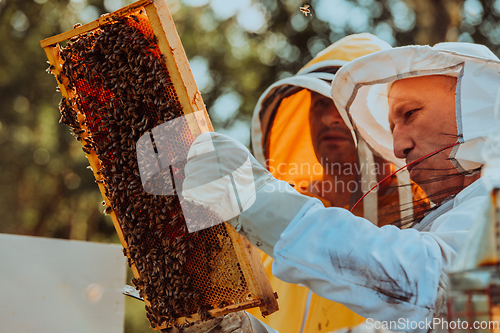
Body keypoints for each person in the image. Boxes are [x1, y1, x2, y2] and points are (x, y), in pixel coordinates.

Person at [181, 40, 500, 333]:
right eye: (391, 126)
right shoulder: (447, 223)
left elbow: (443, 288)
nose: (397, 146)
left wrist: (259, 201)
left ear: (475, 108)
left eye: (410, 113)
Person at [246, 34, 429, 333]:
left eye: (344, 103)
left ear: (389, 118)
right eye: (319, 102)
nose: (330, 117)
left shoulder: (427, 225)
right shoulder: (269, 232)